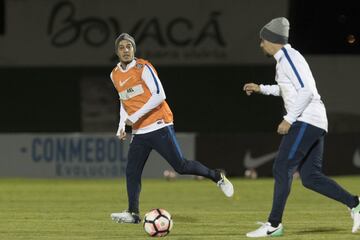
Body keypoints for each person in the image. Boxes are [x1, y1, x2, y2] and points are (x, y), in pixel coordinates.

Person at [243, 17, 360, 237]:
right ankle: (355, 203)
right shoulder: (285, 59)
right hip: (314, 120)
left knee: (281, 167)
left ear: (272, 40)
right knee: (311, 177)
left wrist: (289, 118)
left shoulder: (288, 58)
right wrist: (261, 88)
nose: (261, 45)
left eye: (262, 40)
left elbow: (306, 90)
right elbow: (287, 89)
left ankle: (274, 225)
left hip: (306, 119)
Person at [109, 33, 234, 223]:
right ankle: (133, 213)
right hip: (139, 131)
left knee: (181, 166)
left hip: (159, 124)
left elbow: (160, 95)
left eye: (129, 46)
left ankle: (216, 176)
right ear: (116, 51)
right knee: (132, 171)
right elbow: (123, 101)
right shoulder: (114, 74)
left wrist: (133, 117)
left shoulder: (144, 67)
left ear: (134, 49)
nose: (126, 50)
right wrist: (121, 125)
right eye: (122, 47)